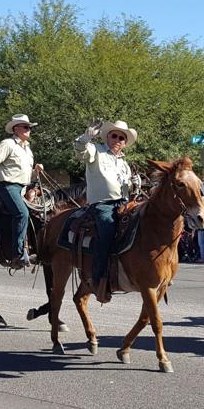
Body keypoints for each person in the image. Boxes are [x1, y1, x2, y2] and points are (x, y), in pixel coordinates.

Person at [74, 119, 136, 303]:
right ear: (107, 137)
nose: (117, 139)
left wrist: (134, 184)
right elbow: (80, 151)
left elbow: (127, 187)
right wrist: (87, 137)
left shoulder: (124, 163)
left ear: (125, 142)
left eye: (121, 138)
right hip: (103, 205)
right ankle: (98, 278)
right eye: (114, 135)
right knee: (107, 230)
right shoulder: (96, 151)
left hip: (124, 204)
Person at [0, 114, 44, 269]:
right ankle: (17, 254)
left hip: (24, 187)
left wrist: (36, 172)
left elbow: (26, 174)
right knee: (21, 213)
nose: (29, 130)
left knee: (40, 213)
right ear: (16, 129)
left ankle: (34, 247)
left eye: (29, 127)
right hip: (9, 187)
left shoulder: (28, 149)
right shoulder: (8, 144)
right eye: (26, 127)